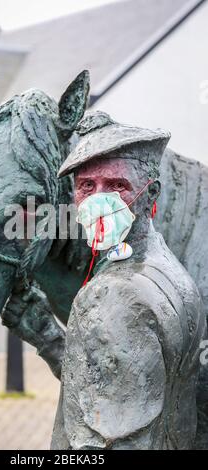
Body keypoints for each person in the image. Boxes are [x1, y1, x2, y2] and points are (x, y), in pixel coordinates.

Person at [51, 111, 206, 450]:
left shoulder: (112, 294)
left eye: (117, 185)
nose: (97, 200)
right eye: (86, 186)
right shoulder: (169, 267)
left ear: (151, 195)